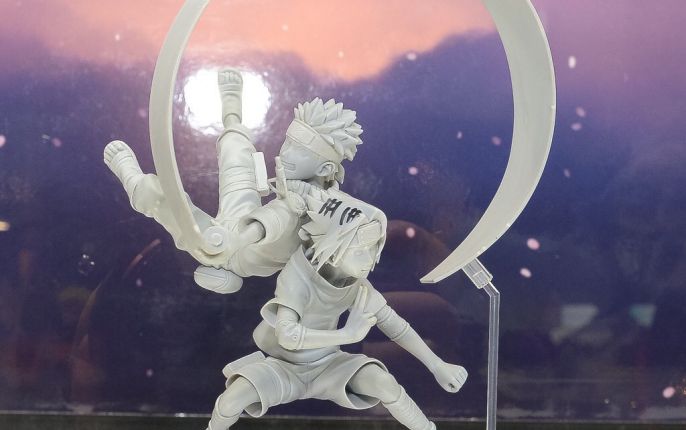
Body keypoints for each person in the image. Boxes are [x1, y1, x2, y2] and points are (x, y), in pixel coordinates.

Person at [207, 200, 468, 430]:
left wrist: (437, 366)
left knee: (385, 384)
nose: (368, 260)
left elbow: (394, 324)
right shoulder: (297, 277)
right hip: (283, 368)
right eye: (359, 251)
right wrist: (347, 334)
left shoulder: (356, 283)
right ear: (332, 245)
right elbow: (287, 335)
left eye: (373, 249)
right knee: (231, 401)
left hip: (330, 366)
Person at [103, 69, 364, 287]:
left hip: (224, 246)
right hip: (237, 225)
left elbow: (274, 220)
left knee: (157, 194)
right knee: (236, 156)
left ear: (325, 169)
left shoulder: (313, 205)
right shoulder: (299, 188)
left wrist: (235, 241)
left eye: (299, 150)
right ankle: (232, 114)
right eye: (289, 142)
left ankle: (134, 181)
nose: (285, 153)